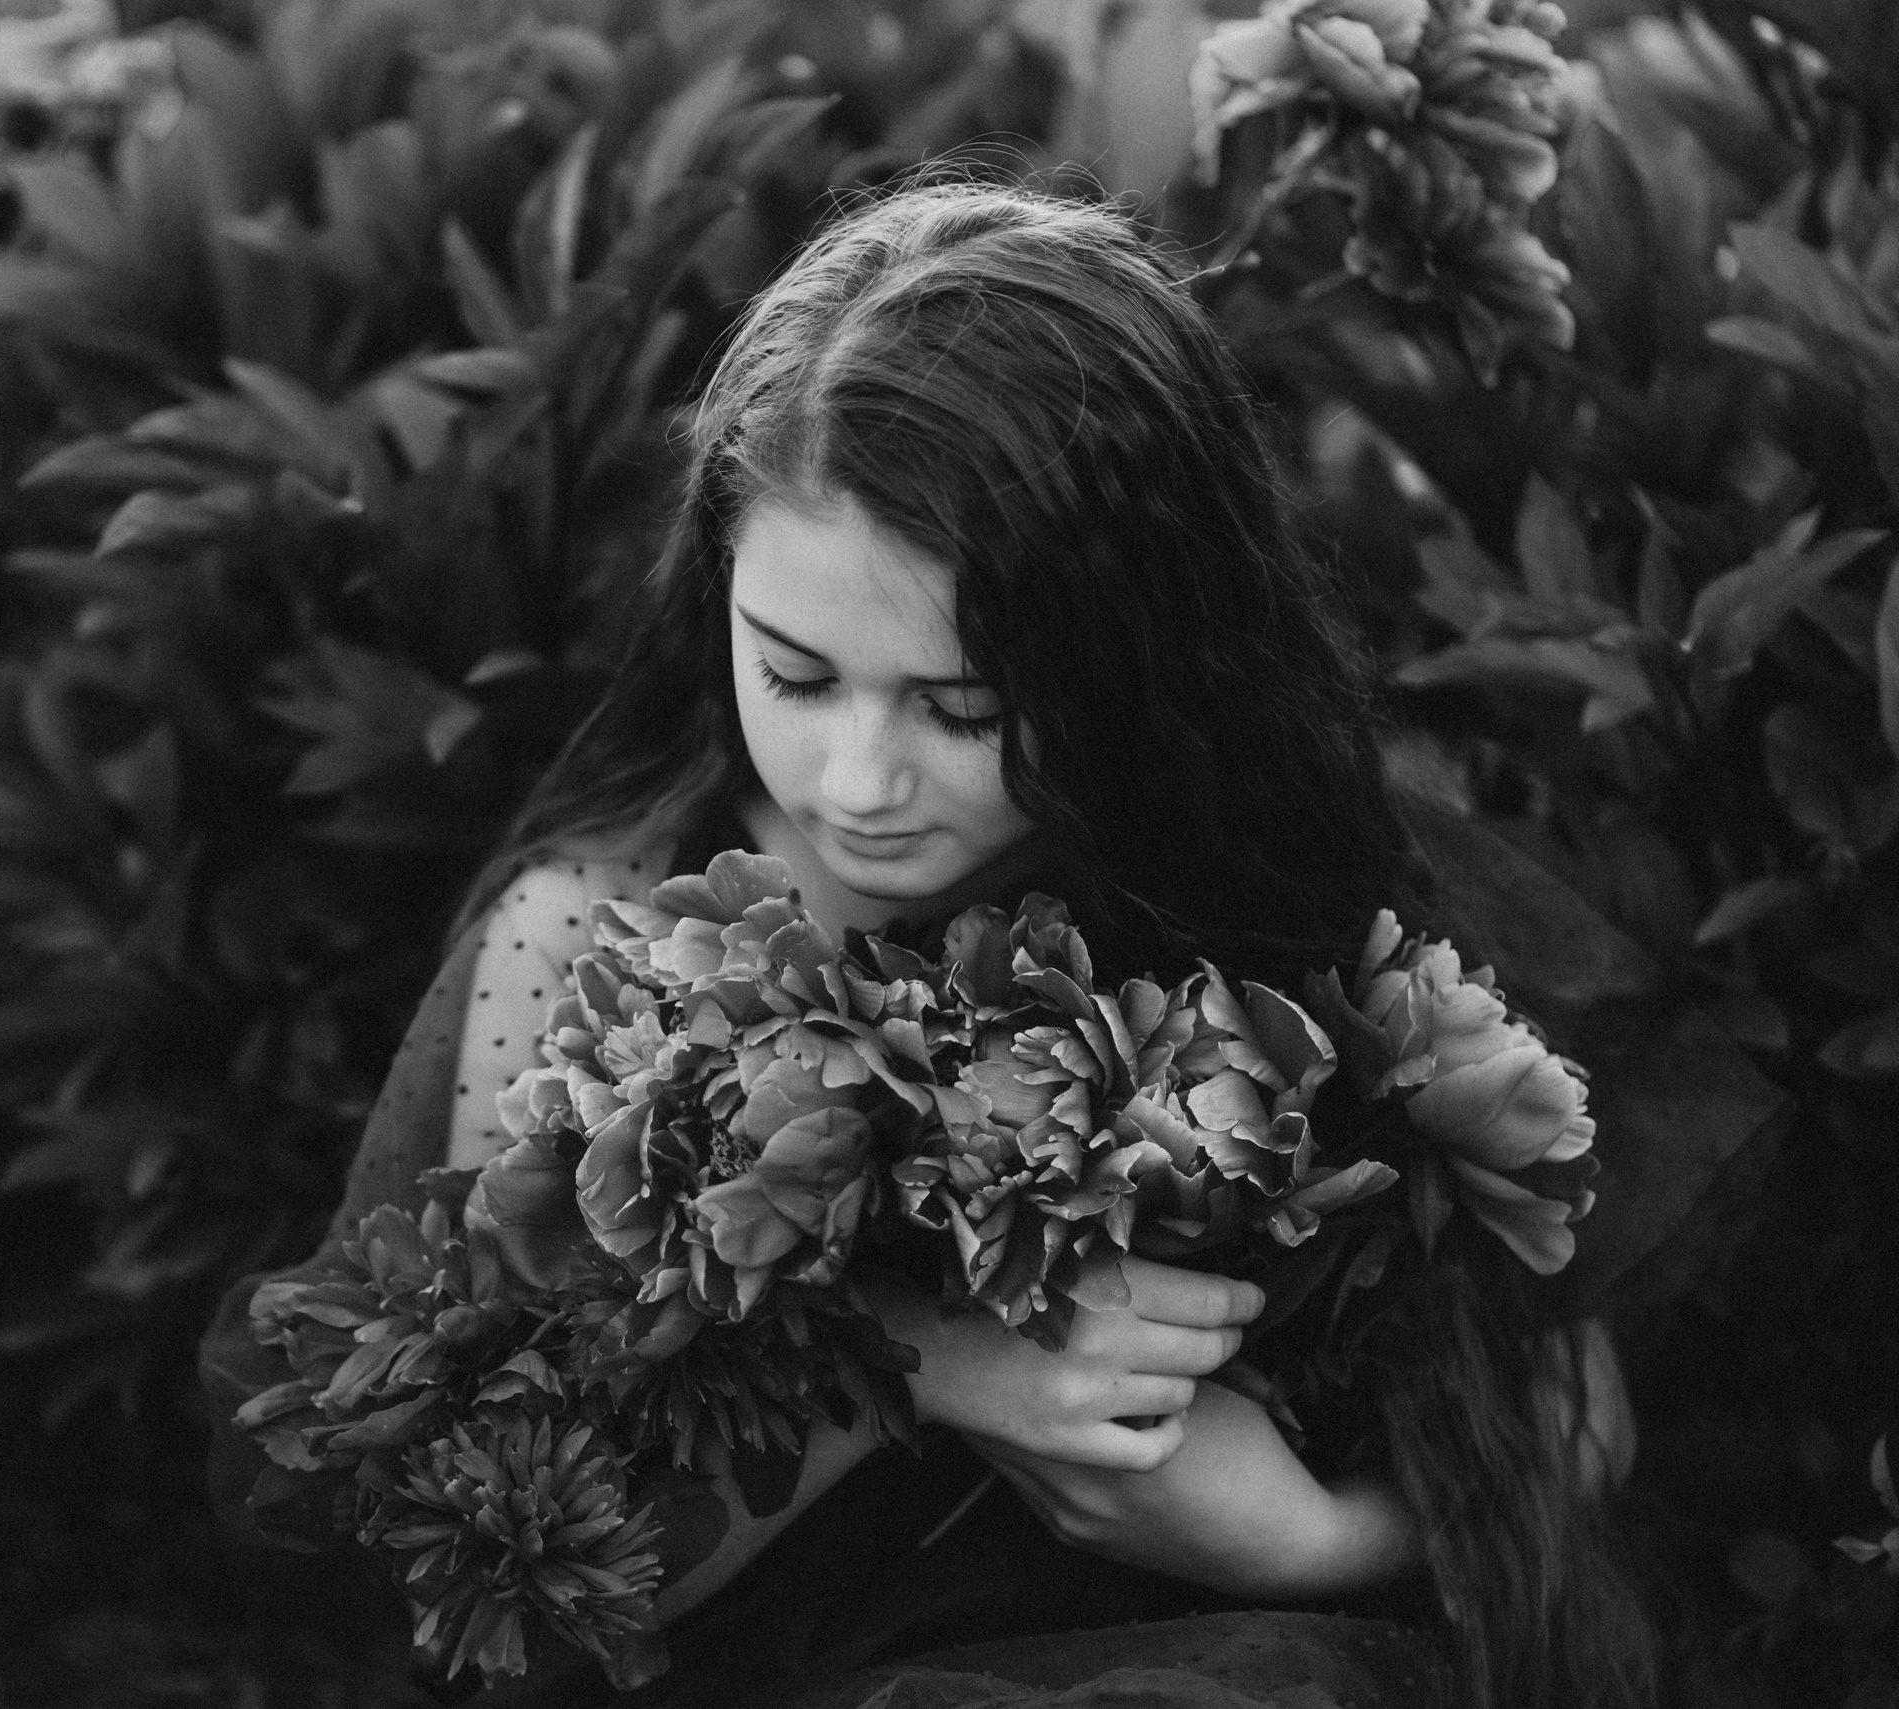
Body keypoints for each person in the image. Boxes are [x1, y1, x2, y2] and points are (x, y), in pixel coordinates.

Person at [203, 179, 1655, 1708]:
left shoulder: (1257, 890)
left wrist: (1299, 1544)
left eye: (963, 709)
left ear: (1141, 661)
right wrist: (934, 1357)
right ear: (720, 596)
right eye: (797, 673)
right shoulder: (586, 946)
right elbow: (490, 1564)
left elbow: (1575, 1409)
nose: (857, 782)